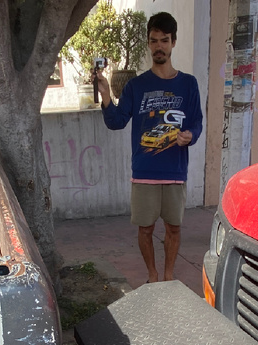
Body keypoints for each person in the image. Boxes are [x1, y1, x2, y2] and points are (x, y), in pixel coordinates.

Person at [96, 11, 203, 284]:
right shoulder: (137, 86)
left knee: (174, 229)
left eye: (164, 40)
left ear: (173, 42)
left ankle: (168, 276)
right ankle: (153, 276)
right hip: (144, 172)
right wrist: (107, 96)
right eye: (154, 40)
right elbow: (117, 122)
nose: (159, 46)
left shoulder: (188, 84)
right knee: (145, 230)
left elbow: (197, 123)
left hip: (175, 171)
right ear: (148, 43)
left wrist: (190, 135)